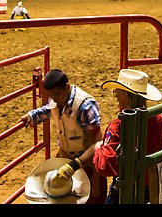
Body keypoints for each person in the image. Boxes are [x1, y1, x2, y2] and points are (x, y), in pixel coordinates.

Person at [20, 69, 107, 203]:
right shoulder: (57, 99)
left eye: (57, 94)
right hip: (66, 159)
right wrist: (32, 115)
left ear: (67, 87)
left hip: (87, 164)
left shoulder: (85, 106)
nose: (55, 99)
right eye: (51, 96)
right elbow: (48, 109)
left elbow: (97, 139)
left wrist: (96, 177)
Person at [93, 69, 162, 204]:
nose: (115, 95)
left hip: (127, 189)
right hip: (152, 186)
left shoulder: (118, 126)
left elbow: (105, 166)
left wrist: (98, 149)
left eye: (117, 92)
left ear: (126, 95)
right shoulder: (157, 119)